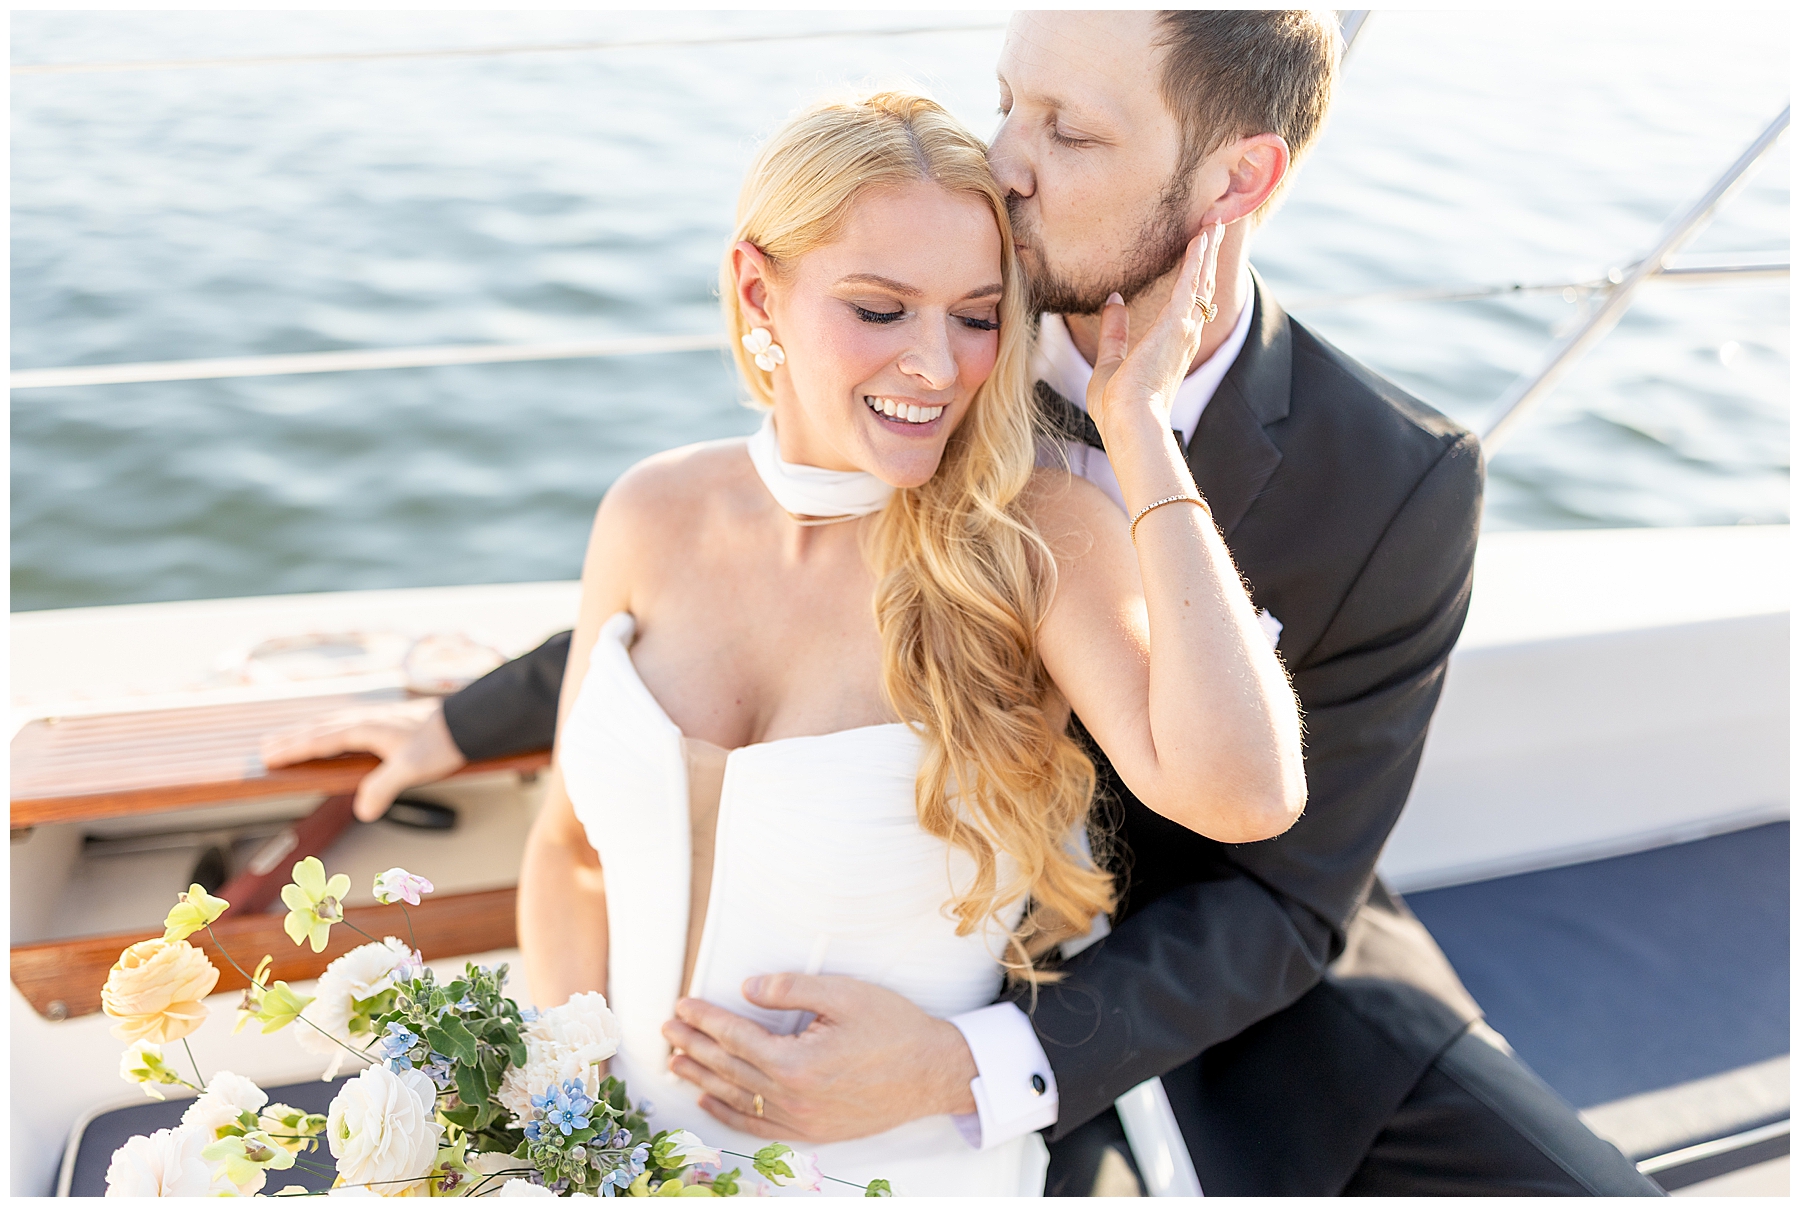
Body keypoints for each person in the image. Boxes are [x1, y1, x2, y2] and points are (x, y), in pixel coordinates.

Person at [265, 12, 1662, 1197]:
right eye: (1009, 103)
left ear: (1236, 178)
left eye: (1068, 130)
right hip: (864, 943)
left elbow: (1284, 888)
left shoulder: (1394, 484)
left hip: (1212, 957)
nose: (1005, 161)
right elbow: (762, 565)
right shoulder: (934, 310)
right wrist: (458, 722)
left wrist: (969, 1063)